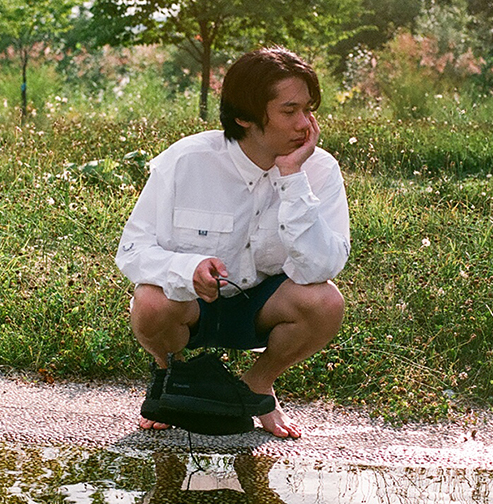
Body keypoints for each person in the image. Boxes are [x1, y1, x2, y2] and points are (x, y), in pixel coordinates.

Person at [115, 47, 350, 439]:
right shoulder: (185, 161)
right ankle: (171, 379)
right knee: (151, 301)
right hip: (192, 303)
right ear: (244, 116)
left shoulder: (320, 169)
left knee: (326, 303)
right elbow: (132, 251)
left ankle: (257, 386)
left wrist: (293, 178)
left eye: (308, 109)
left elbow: (322, 267)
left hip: (262, 306)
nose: (305, 125)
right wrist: (187, 270)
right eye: (289, 111)